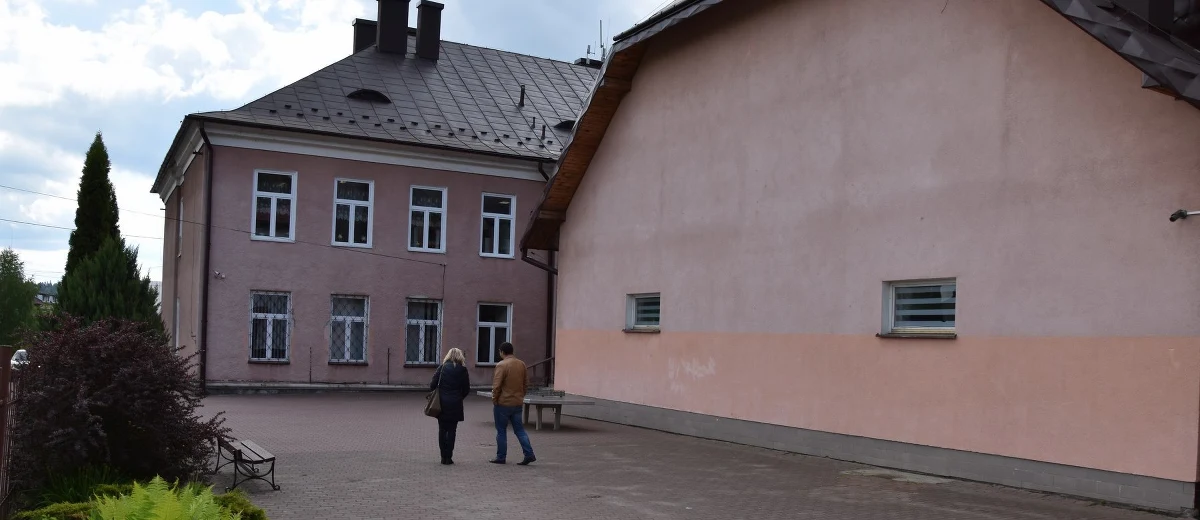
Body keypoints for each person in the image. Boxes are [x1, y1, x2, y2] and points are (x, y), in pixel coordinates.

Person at [489, 342, 536, 465]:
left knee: (501, 431)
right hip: (517, 403)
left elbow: (497, 386)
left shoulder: (502, 365)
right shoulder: (521, 364)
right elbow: (526, 384)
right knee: (519, 430)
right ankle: (529, 453)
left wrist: (495, 400)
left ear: (501, 352)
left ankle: (501, 456)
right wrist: (520, 396)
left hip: (503, 404)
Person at [430, 348, 471, 465]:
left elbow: (432, 385)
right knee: (452, 430)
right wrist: (459, 397)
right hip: (456, 403)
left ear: (448, 355)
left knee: (442, 430)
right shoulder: (463, 370)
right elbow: (467, 389)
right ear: (460, 357)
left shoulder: (442, 368)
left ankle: (443, 457)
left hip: (441, 403)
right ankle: (449, 457)